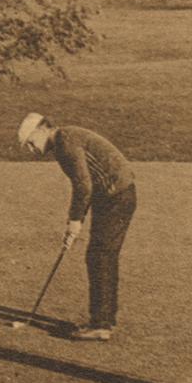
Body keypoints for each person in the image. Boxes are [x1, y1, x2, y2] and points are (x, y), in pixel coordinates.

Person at [17, 112, 137, 340]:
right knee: (101, 255)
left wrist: (74, 221)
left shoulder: (65, 143)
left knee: (100, 255)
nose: (32, 151)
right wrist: (78, 219)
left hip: (117, 194)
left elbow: (83, 185)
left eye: (31, 143)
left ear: (42, 129)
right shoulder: (65, 137)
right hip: (113, 193)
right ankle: (105, 320)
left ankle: (101, 325)